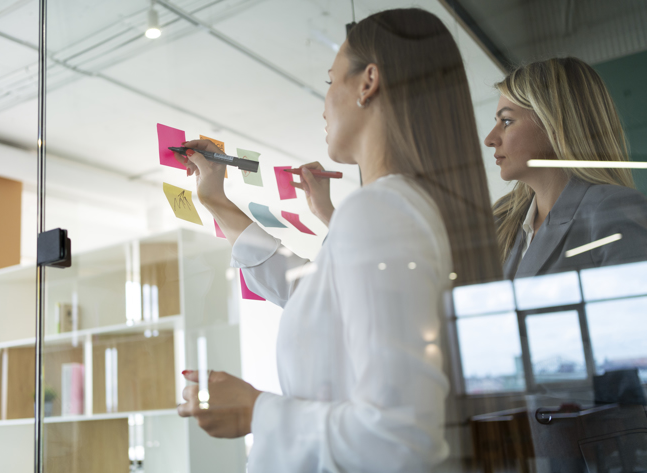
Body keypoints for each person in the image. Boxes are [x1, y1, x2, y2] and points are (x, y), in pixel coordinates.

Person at [176, 8, 501, 472]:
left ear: (368, 82)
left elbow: (399, 439)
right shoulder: (407, 207)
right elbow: (308, 292)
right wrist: (217, 202)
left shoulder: (382, 209)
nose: (324, 102)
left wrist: (254, 409)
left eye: (330, 81)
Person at [485, 57, 647, 279]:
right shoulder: (503, 222)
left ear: (553, 123)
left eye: (506, 121)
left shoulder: (610, 210)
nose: (490, 139)